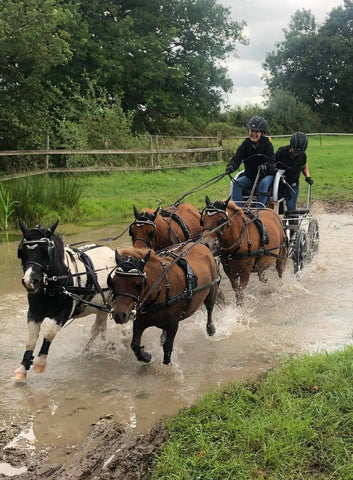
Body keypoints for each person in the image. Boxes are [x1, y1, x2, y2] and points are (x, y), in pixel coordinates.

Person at [225, 115, 275, 208]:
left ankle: (258, 212)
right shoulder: (245, 145)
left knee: (263, 184)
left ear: (262, 133)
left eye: (257, 131)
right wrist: (231, 166)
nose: (253, 134)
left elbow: (272, 161)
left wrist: (265, 166)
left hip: (266, 175)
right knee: (237, 183)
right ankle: (238, 211)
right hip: (251, 176)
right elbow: (237, 158)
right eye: (252, 131)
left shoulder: (267, 144)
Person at [275, 132, 313, 212]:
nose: (296, 154)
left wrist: (307, 177)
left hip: (293, 185)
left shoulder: (302, 155)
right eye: (295, 151)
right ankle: (280, 223)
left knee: (291, 209)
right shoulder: (281, 152)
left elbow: (304, 166)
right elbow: (272, 165)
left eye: (298, 153)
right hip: (279, 185)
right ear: (291, 146)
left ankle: (293, 223)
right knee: (278, 209)